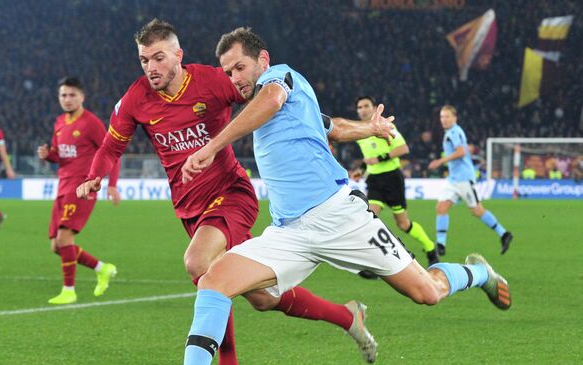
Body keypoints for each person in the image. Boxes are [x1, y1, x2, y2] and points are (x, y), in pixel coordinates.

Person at [180, 28, 512, 365]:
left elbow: (272, 99)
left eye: (239, 67)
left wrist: (212, 146)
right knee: (215, 280)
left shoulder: (280, 78)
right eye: (228, 72)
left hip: (342, 216)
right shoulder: (288, 106)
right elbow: (332, 126)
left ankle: (479, 273)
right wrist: (368, 128)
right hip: (289, 233)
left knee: (426, 292)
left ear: (262, 60)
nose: (234, 78)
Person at [76, 19, 392, 365]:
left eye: (159, 58)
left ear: (178, 55)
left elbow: (275, 102)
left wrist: (360, 129)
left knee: (199, 263)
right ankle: (348, 317)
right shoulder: (137, 98)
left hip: (231, 194)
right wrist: (95, 176)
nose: (151, 68)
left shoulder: (213, 82)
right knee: (262, 297)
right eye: (144, 60)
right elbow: (110, 147)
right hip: (189, 207)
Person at [37, 77, 121, 304]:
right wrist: (48, 156)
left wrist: (111, 183)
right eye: (63, 95)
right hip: (62, 187)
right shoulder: (59, 122)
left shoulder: (91, 123)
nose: (67, 99)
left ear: (82, 97)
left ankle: (69, 290)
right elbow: (59, 155)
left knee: (64, 238)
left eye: (72, 95)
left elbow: (112, 151)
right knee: (57, 246)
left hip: (82, 187)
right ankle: (102, 268)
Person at [335, 96, 439, 268]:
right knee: (368, 218)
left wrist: (380, 158)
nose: (362, 109)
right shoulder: (359, 131)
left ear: (374, 108)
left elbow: (403, 148)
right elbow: (368, 158)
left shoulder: (384, 125)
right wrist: (361, 169)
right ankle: (375, 262)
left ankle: (430, 248)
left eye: (366, 106)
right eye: (359, 107)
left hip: (392, 179)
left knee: (403, 224)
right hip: (374, 181)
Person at [429, 106, 513, 256]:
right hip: (453, 179)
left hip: (464, 178)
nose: (444, 120)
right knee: (441, 207)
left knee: (476, 210)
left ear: (455, 118)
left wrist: (441, 161)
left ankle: (504, 234)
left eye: (447, 116)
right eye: (442, 117)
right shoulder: (452, 132)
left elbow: (461, 152)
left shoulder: (454, 131)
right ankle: (440, 244)